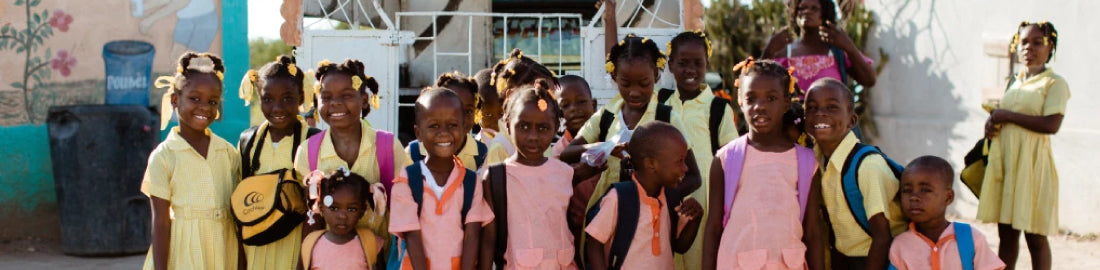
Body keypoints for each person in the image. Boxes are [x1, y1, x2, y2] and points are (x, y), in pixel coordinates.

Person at [701, 58, 816, 270]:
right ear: (740, 101)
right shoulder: (725, 159)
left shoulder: (807, 162)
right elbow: (713, 228)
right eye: (751, 98)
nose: (759, 107)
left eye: (771, 98)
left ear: (786, 102)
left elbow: (812, 231)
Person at [977, 21, 1067, 270]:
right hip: (1007, 164)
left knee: (1035, 235)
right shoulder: (1013, 81)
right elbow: (1003, 115)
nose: (1029, 47)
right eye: (1024, 42)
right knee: (1006, 234)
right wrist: (992, 123)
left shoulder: (1054, 83)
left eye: (1038, 42)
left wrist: (1007, 116)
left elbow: (1052, 124)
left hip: (1031, 166)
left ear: (1050, 49)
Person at [142, 52, 242, 270]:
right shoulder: (164, 156)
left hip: (223, 249)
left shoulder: (227, 152)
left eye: (212, 101)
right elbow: (160, 221)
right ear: (175, 100)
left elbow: (237, 215)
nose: (204, 107)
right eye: (194, 98)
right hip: (184, 252)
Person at [293, 59, 411, 239]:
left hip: (379, 259)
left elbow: (407, 206)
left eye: (346, 95)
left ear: (364, 100)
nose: (335, 103)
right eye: (326, 97)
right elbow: (310, 215)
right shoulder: (308, 152)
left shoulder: (387, 146)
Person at [801, 79, 905, 270]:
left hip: (881, 259)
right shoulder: (815, 161)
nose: (820, 113)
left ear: (852, 120)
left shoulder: (867, 166)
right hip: (846, 258)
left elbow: (882, 237)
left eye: (832, 107)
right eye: (812, 108)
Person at [389, 88, 494, 270]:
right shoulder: (406, 181)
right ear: (418, 133)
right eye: (434, 126)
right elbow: (412, 237)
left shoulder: (470, 182)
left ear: (463, 129)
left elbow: (472, 236)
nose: (443, 132)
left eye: (452, 125)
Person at [661, 30, 739, 270]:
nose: (690, 70)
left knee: (699, 259)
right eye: (682, 63)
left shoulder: (718, 108)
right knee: (665, 256)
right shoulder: (660, 102)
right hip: (666, 198)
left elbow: (732, 161)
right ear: (670, 65)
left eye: (698, 63)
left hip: (704, 201)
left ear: (707, 64)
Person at [480, 84, 578, 269]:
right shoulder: (496, 177)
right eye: (523, 127)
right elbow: (488, 239)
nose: (533, 136)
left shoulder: (565, 173)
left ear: (556, 127)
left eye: (542, 128)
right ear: (508, 125)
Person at [584, 122, 704, 270]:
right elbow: (594, 243)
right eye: (679, 161)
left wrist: (695, 219)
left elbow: (679, 246)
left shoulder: (671, 198)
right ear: (651, 164)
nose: (686, 168)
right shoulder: (619, 198)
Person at [236, 55, 318, 270]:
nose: (277, 108)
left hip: (294, 254)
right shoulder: (248, 142)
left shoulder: (313, 141)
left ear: (301, 98)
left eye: (287, 98)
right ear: (258, 97)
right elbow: (239, 204)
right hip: (255, 252)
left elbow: (316, 211)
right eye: (268, 99)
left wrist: (304, 263)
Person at [889, 156, 1005, 270]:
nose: (914, 197)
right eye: (907, 190)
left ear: (948, 197)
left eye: (925, 190)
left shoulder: (970, 238)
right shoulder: (900, 246)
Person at [762, 0, 876, 93]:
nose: (807, 12)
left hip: (831, 119)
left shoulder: (837, 51)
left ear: (825, 14)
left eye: (814, 8)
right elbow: (760, 84)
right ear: (795, 13)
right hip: (793, 120)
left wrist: (849, 47)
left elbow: (869, 80)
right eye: (802, 8)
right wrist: (768, 52)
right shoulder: (783, 52)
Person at [484, 49, 560, 166]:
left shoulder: (541, 135)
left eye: (550, 97)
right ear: (511, 96)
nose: (547, 104)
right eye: (538, 96)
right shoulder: (501, 147)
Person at [300, 168, 387, 269]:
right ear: (321, 208)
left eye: (351, 209)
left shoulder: (371, 243)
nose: (342, 216)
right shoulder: (310, 245)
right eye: (334, 208)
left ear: (362, 211)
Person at [406, 71, 490, 171]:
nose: (461, 118)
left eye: (468, 111)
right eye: (451, 110)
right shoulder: (413, 153)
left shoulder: (482, 154)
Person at [474, 69, 505, 144]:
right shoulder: (477, 149)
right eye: (488, 115)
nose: (496, 123)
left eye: (501, 114)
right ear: (476, 114)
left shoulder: (518, 145)